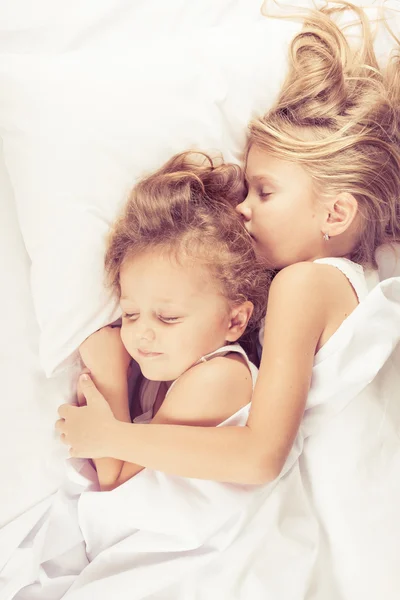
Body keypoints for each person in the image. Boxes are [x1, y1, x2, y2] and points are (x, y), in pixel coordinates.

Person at [56, 1, 400, 485]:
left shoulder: (304, 286)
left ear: (335, 213)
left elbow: (259, 457)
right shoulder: (342, 286)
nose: (243, 207)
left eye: (265, 191)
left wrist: (110, 437)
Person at [59, 151, 270, 491]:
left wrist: (109, 373)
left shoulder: (219, 377)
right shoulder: (162, 377)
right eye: (129, 314)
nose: (142, 333)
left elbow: (118, 486)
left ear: (235, 320)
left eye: (168, 318)